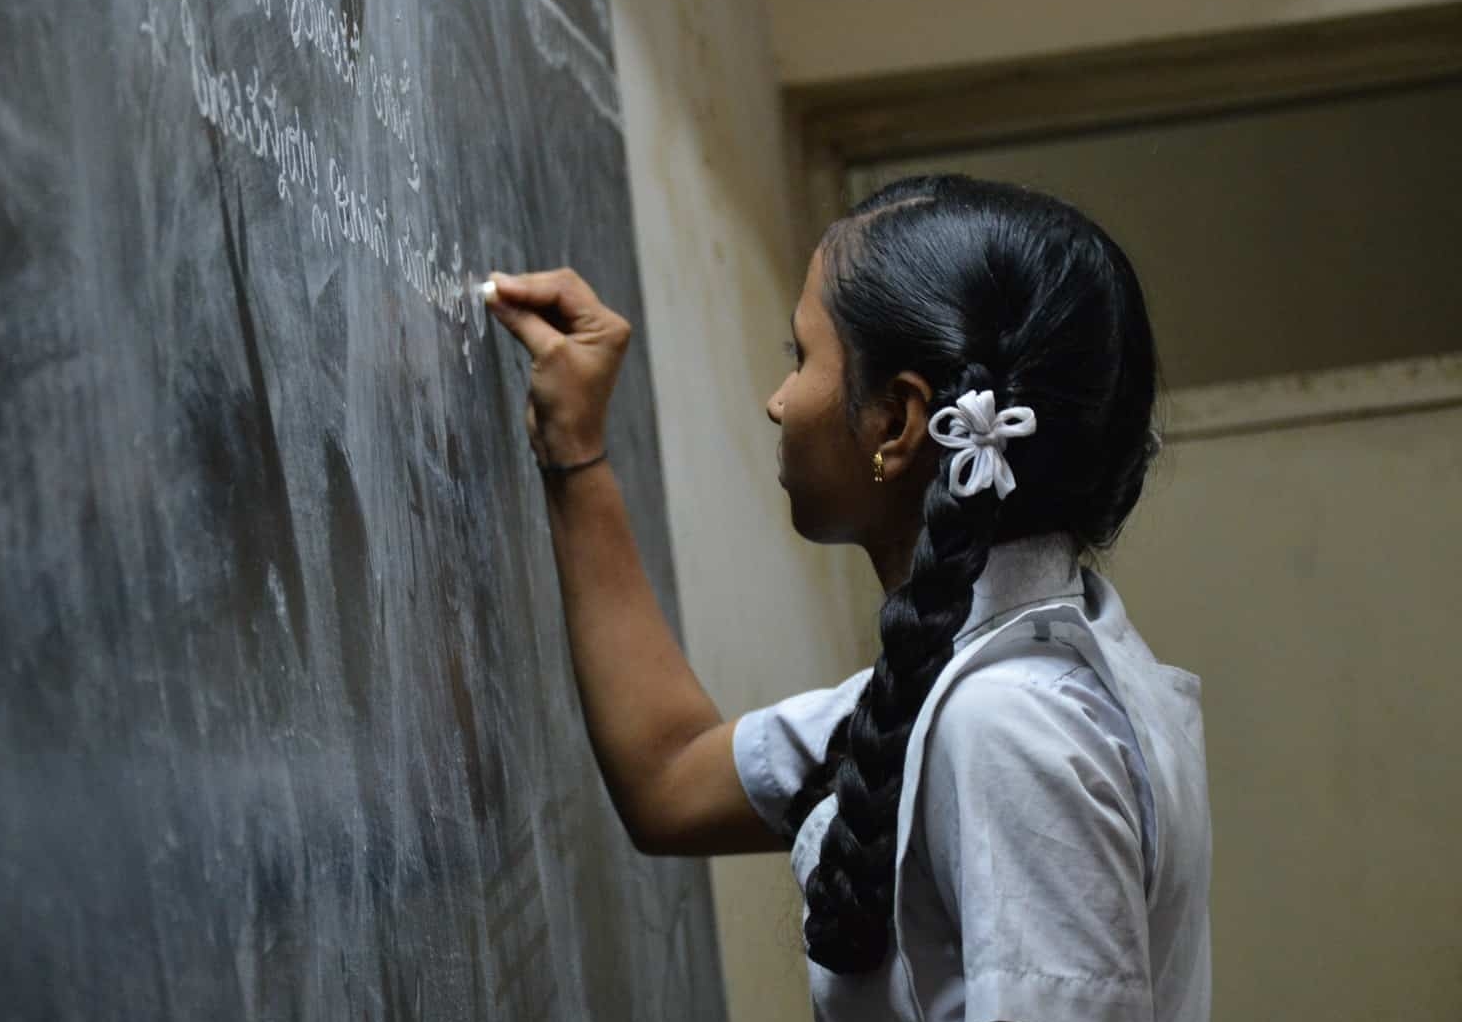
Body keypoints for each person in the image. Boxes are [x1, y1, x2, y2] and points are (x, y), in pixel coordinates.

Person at [482, 174, 1212, 1022]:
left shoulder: (1009, 723)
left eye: (800, 358)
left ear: (900, 425)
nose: (777, 401)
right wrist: (575, 449)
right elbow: (671, 778)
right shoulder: (986, 678)